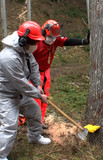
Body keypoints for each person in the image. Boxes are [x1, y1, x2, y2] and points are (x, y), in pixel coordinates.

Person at [0, 21, 51, 160]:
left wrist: (38, 85)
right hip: (6, 95)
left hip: (20, 94)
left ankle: (34, 137)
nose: (36, 46)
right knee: (10, 126)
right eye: (34, 42)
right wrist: (39, 96)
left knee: (35, 112)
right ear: (24, 40)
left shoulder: (25, 51)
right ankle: (1, 155)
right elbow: (20, 82)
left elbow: (33, 66)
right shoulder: (9, 57)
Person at [32, 19, 90, 127]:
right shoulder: (36, 44)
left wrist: (83, 41)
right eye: (51, 37)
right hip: (34, 73)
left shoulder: (56, 40)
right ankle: (30, 121)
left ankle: (39, 121)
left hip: (46, 71)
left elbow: (68, 41)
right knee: (35, 99)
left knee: (45, 98)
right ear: (44, 32)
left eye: (54, 38)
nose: (53, 40)